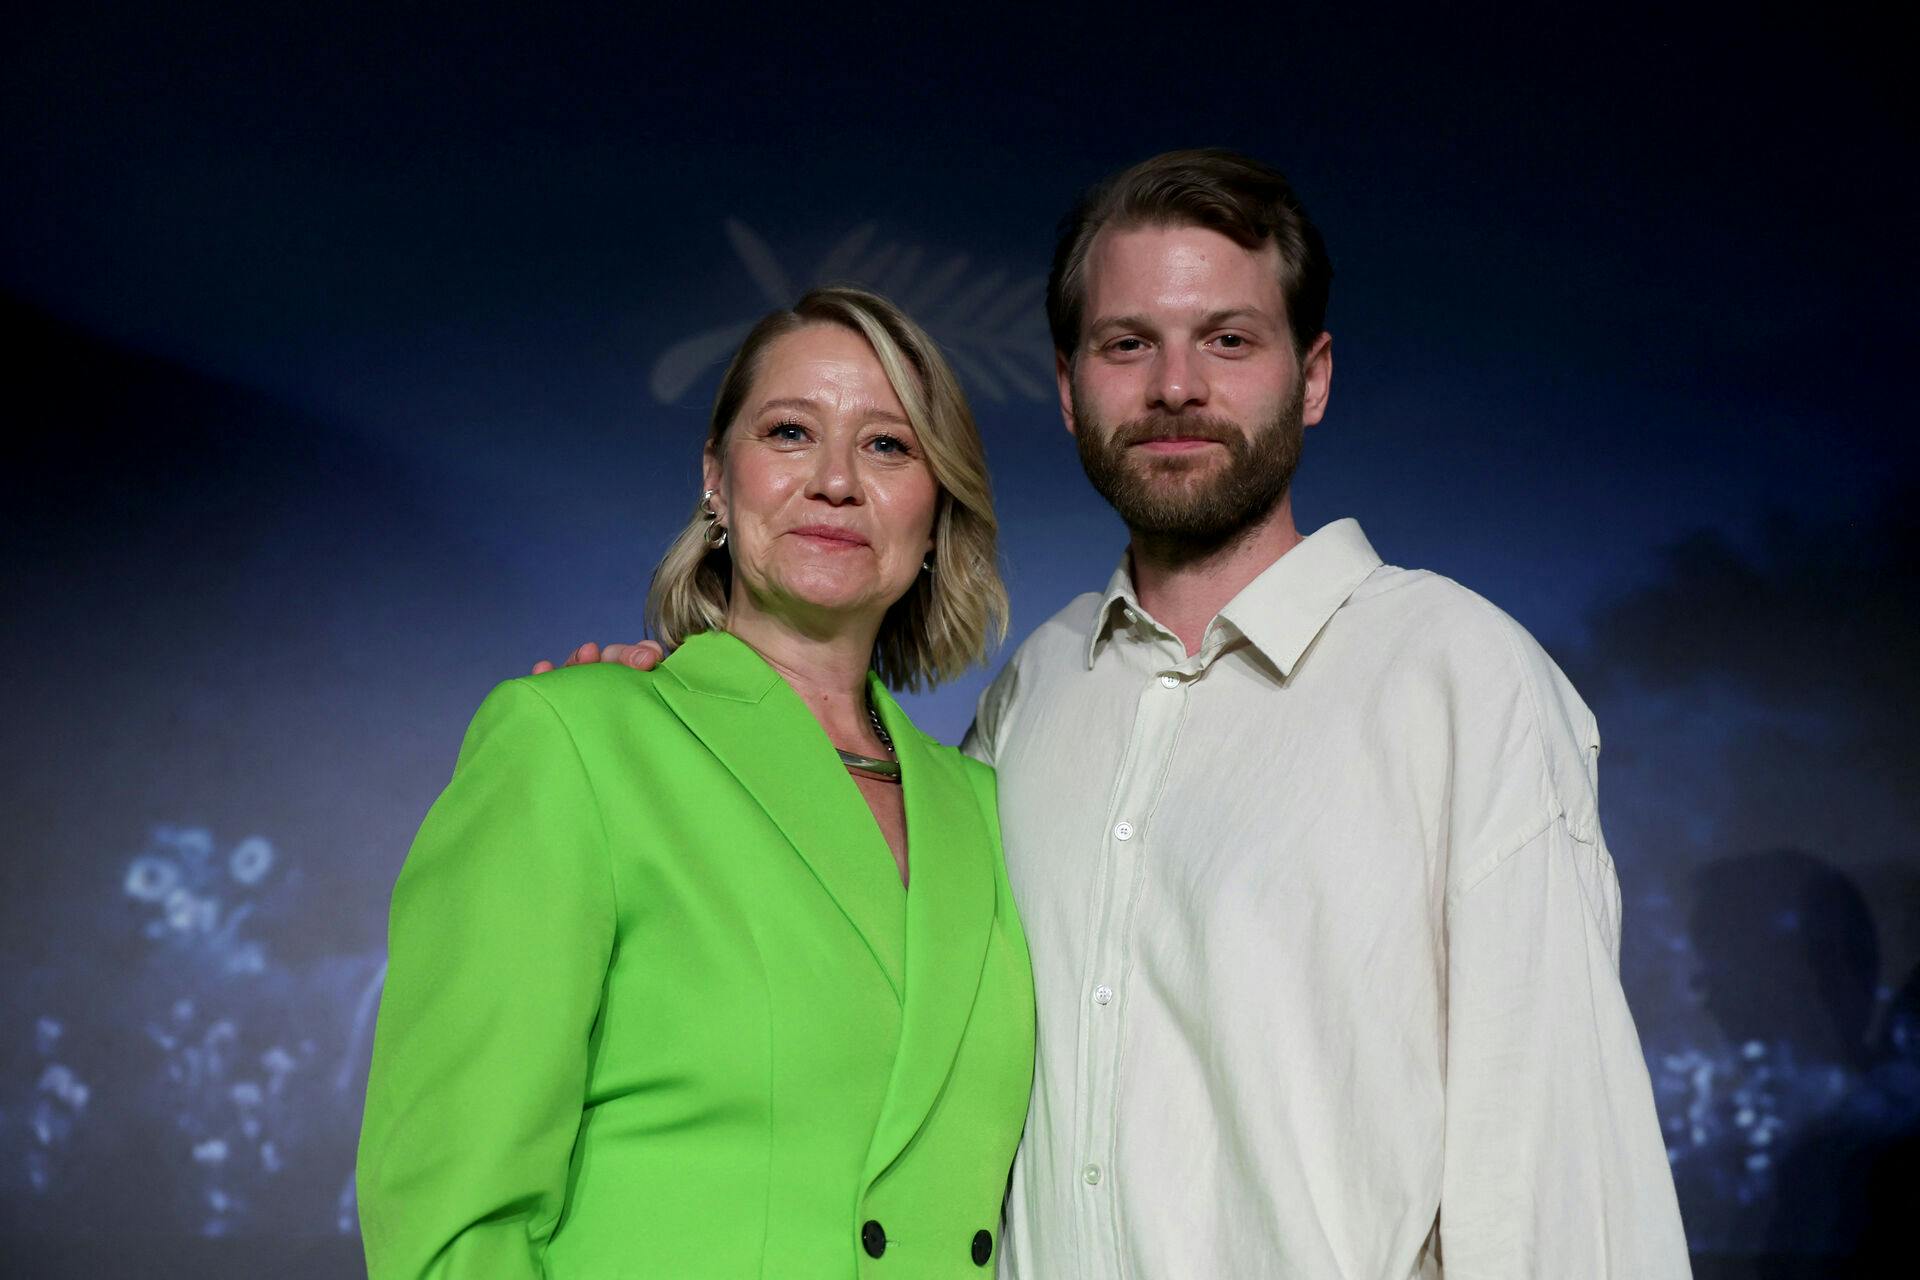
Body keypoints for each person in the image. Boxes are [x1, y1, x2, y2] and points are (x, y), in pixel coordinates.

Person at [548, 150, 1691, 1278]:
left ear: (1315, 375)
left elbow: (1561, 1179)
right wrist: (674, 718)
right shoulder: (1029, 704)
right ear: (1067, 385)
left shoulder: (1460, 680)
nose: (1177, 386)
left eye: (1230, 339)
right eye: (1128, 343)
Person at [358, 286, 1036, 1279]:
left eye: (889, 445)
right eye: (791, 431)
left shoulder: (984, 804)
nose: (836, 480)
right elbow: (453, 1219)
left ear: (937, 512)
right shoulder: (574, 740)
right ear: (718, 481)